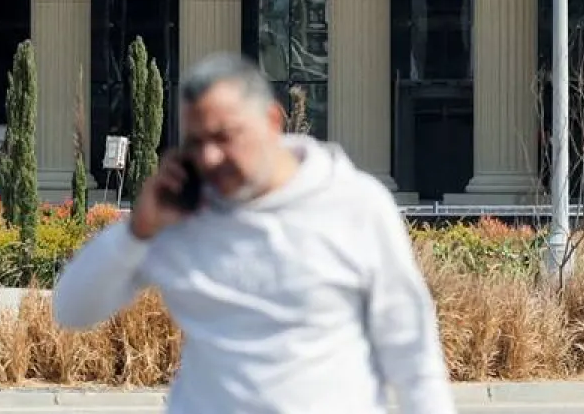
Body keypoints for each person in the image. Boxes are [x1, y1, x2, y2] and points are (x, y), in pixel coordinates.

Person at [52, 52, 455, 414]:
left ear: (272, 121)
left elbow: (411, 351)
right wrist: (136, 232)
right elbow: (72, 310)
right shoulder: (180, 216)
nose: (210, 157)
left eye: (224, 137)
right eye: (196, 142)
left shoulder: (354, 205)